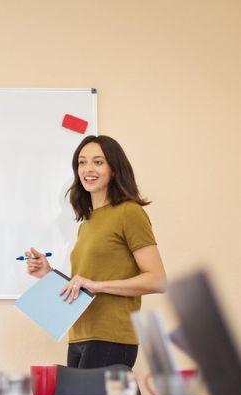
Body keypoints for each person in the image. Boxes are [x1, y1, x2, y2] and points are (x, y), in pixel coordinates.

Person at [25, 135, 166, 368]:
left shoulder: (129, 213)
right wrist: (48, 273)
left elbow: (158, 280)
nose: (88, 169)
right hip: (80, 335)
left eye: (98, 162)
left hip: (111, 337)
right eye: (82, 162)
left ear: (114, 169)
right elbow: (84, 283)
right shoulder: (87, 224)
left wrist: (98, 285)